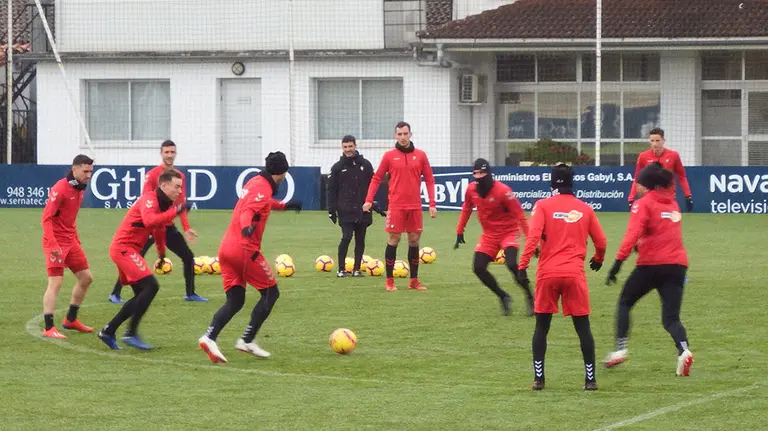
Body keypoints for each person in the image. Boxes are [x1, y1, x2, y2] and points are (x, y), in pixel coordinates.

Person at [198, 152, 302, 363]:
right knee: (271, 293)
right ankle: (247, 339)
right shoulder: (263, 188)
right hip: (244, 249)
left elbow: (261, 202)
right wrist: (246, 228)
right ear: (281, 173)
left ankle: (209, 337)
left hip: (226, 249)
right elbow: (248, 210)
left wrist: (284, 205)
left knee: (236, 300)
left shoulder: (255, 182)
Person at [517, 164, 607, 391]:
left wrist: (523, 265)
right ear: (571, 184)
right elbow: (601, 241)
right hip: (574, 274)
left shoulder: (542, 206)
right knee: (583, 328)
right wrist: (598, 258)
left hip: (548, 274)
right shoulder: (585, 209)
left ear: (552, 184)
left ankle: (539, 379)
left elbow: (533, 236)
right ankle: (590, 380)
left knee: (542, 327)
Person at [603, 162, 694, 377]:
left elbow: (632, 235)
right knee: (671, 318)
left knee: (625, 302)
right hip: (677, 266)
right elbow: (659, 232)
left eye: (638, 183)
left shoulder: (643, 204)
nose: (636, 187)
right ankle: (684, 350)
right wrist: (642, 243)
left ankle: (620, 349)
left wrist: (616, 265)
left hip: (651, 265)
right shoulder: (672, 204)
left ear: (646, 185)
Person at [97, 170, 193, 350]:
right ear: (163, 186)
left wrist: (162, 255)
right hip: (123, 248)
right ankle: (129, 333)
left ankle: (109, 331)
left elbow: (159, 230)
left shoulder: (164, 204)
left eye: (181, 187)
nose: (180, 191)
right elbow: (150, 221)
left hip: (129, 250)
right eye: (176, 187)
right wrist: (176, 211)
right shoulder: (150, 199)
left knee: (142, 294)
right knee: (151, 286)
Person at [108, 140, 207, 304]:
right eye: (166, 152)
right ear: (161, 153)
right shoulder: (152, 175)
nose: (169, 155)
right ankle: (115, 293)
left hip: (167, 225)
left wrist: (186, 228)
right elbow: (146, 201)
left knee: (188, 256)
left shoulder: (179, 177)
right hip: (150, 226)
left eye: (172, 152)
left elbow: (180, 205)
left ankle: (190, 293)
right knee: (135, 256)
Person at [362, 121, 436, 291]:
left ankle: (414, 281)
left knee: (414, 240)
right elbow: (376, 178)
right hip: (396, 206)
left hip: (415, 206)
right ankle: (389, 281)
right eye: (399, 134)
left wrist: (432, 203)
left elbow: (430, 180)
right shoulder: (389, 156)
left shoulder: (421, 155)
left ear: (410, 134)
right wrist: (368, 199)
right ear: (395, 135)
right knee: (394, 240)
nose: (402, 137)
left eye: (405, 134)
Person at [454, 158, 533, 316]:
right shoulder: (471, 190)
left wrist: (531, 239)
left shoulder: (503, 191)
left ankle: (530, 296)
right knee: (478, 268)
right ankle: (503, 296)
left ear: (489, 174)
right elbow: (467, 208)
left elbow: (520, 216)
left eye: (482, 174)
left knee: (512, 264)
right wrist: (459, 230)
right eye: (475, 174)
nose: (478, 177)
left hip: (508, 232)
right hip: (489, 235)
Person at [40, 155, 96, 338]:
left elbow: (69, 218)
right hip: (55, 242)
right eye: (85, 171)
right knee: (55, 283)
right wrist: (53, 244)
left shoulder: (79, 188)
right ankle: (49, 328)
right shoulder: (60, 189)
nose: (89, 175)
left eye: (91, 171)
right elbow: (46, 218)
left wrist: (75, 239)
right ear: (74, 169)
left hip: (71, 241)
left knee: (86, 278)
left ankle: (70, 319)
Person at [327, 135, 385, 277]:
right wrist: (331, 210)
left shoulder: (365, 165)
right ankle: (341, 269)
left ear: (355, 146)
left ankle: (357, 269)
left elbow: (373, 186)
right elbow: (331, 190)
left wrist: (375, 205)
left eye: (350, 146)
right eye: (345, 147)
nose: (348, 149)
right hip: (345, 209)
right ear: (342, 148)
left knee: (360, 239)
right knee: (346, 237)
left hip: (363, 209)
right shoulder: (337, 167)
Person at [628, 127, 693, 212]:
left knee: (669, 220)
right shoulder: (643, 156)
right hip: (649, 199)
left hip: (668, 199)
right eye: (652, 141)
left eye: (657, 141)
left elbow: (682, 177)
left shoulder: (674, 155)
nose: (654, 144)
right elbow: (637, 178)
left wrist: (688, 196)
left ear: (663, 141)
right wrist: (631, 198)